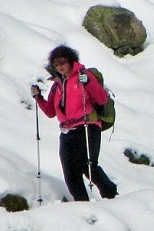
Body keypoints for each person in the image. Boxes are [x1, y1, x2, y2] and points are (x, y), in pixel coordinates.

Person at [31, 46, 118, 201]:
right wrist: (39, 99)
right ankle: (82, 204)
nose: (59, 66)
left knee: (88, 165)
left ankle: (111, 194)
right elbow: (51, 112)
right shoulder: (57, 85)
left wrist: (89, 82)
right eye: (56, 64)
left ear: (71, 60)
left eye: (62, 62)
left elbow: (102, 99)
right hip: (67, 131)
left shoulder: (84, 76)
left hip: (87, 126)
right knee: (70, 171)